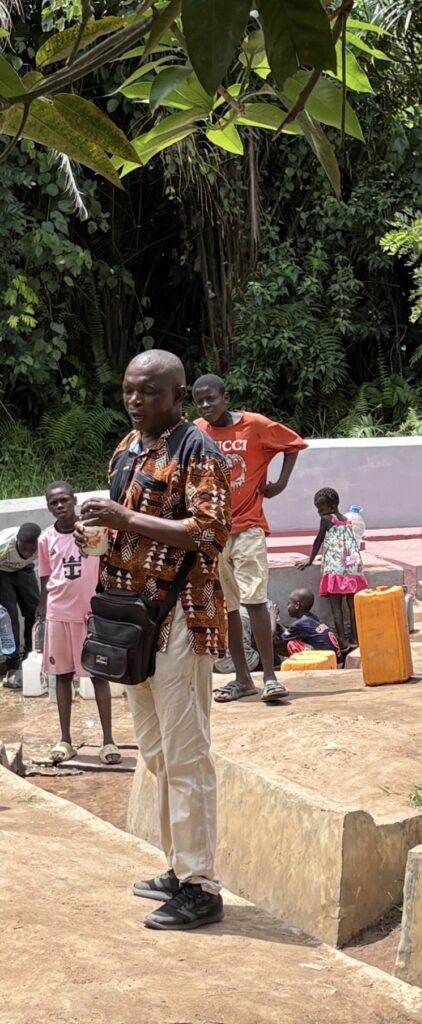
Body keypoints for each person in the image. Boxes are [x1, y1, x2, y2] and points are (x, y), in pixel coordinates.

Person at [77, 350, 231, 932]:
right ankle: (178, 867)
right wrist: (86, 530)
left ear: (178, 395)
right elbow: (112, 539)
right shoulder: (127, 449)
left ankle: (201, 887)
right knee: (160, 754)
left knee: (188, 755)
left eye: (148, 392)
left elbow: (210, 532)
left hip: (180, 623)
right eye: (129, 391)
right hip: (131, 624)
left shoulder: (200, 452)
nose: (136, 401)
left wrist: (124, 519)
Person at [192, 374, 307, 704]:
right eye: (200, 401)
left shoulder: (255, 425)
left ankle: (270, 677)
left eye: (211, 398)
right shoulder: (198, 431)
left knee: (254, 600)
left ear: (225, 397)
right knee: (228, 607)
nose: (206, 406)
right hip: (214, 532)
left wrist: (281, 484)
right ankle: (242, 679)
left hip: (249, 527)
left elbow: (293, 445)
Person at [37, 482, 121, 766]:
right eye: (53, 503)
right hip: (58, 613)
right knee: (62, 675)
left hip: (88, 613)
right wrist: (42, 608)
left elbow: (106, 564)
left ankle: (108, 741)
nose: (59, 506)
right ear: (48, 507)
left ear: (73, 500)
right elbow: (46, 578)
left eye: (63, 500)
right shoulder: (45, 538)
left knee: (98, 675)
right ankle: (65, 740)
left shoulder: (91, 531)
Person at [297, 487, 368, 653]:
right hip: (352, 567)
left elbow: (318, 541)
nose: (319, 513)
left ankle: (342, 641)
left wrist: (310, 559)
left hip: (335, 569)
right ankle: (356, 639)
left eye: (321, 509)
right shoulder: (348, 519)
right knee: (352, 606)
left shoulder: (327, 520)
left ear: (332, 506)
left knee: (336, 607)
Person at [0, 522, 42, 663]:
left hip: (25, 570)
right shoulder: (3, 544)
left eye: (31, 551)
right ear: (17, 540)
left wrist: (43, 600)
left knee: (35, 611)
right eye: (24, 549)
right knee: (9, 615)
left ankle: (31, 656)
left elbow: (47, 571)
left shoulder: (44, 544)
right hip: (2, 572)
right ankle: (12, 661)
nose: (27, 553)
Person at [277, 588, 340, 659]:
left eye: (289, 603)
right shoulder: (312, 618)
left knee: (291, 644)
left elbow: (281, 640)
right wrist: (278, 625)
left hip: (326, 662)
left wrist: (271, 619)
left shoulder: (299, 624)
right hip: (335, 659)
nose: (287, 607)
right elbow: (289, 632)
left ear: (297, 605)